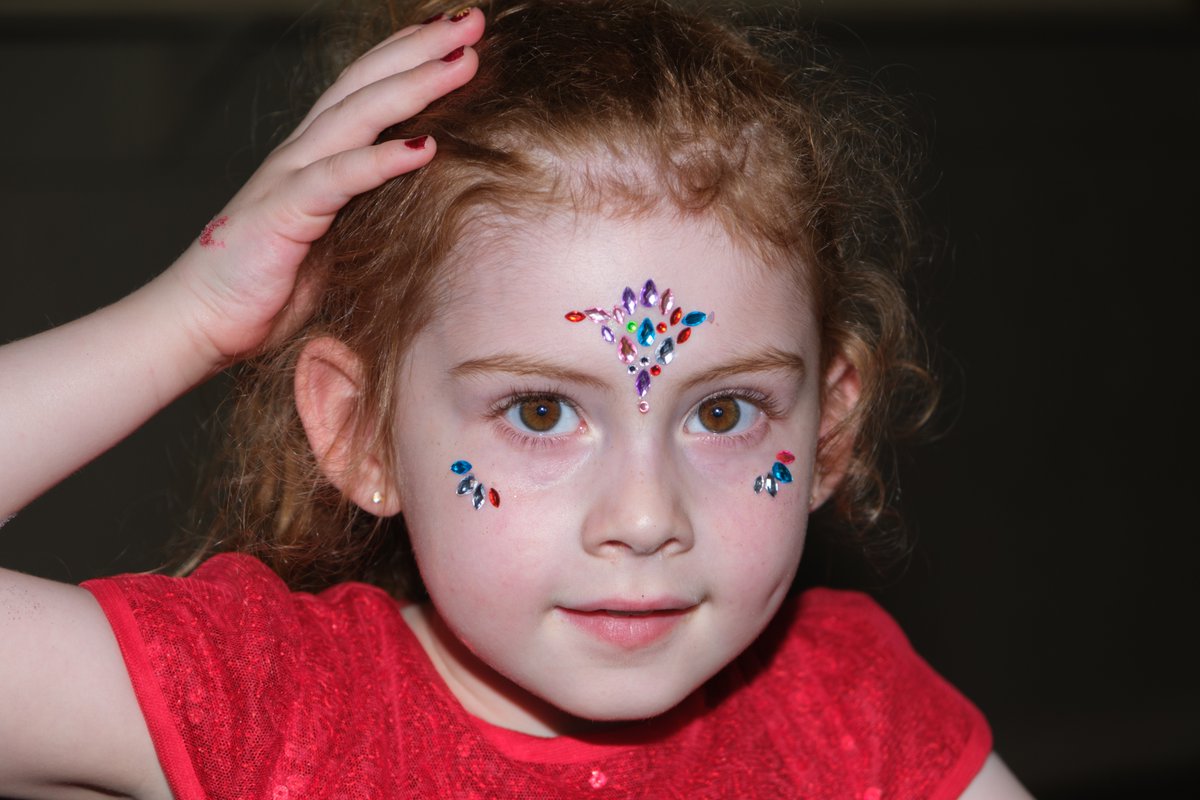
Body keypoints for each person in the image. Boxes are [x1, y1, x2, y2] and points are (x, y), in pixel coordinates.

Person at [0, 0, 1032, 796]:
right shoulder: (266, 704)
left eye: (723, 412)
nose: (644, 516)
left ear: (829, 431)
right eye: (541, 411)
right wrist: (187, 320)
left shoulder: (856, 716)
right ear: (359, 433)